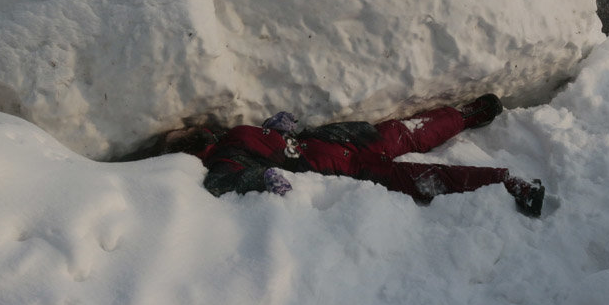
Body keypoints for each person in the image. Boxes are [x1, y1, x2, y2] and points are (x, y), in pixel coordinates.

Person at [167, 94, 546, 217]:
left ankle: (466, 115)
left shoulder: (231, 135)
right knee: (427, 179)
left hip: (344, 139)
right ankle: (507, 182)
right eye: (186, 135)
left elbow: (268, 144)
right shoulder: (220, 161)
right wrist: (262, 179)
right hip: (348, 171)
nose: (194, 128)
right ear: (193, 147)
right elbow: (222, 183)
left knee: (410, 131)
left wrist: (277, 128)